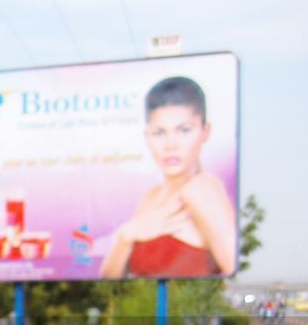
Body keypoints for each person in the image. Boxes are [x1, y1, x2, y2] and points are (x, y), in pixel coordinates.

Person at [99, 76, 236, 279]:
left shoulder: (202, 190)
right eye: (159, 133)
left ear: (205, 132)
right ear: (147, 136)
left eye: (184, 130)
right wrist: (126, 235)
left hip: (188, 309)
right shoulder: (152, 197)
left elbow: (233, 264)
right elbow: (109, 278)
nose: (171, 144)